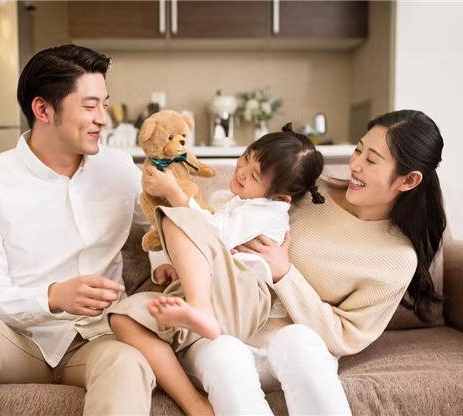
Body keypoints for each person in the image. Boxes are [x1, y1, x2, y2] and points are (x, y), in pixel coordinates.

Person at [0, 45, 155, 415]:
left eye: (105, 105)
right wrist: (53, 297)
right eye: (89, 106)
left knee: (128, 363)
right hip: (19, 343)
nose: (102, 120)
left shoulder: (120, 169)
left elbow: (164, 225)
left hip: (97, 339)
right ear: (43, 110)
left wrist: (173, 256)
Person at [174, 109, 447, 415]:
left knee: (299, 340)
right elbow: (231, 205)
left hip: (291, 352)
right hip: (223, 335)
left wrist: (285, 275)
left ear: (409, 180)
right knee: (227, 352)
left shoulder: (397, 258)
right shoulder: (308, 192)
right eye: (358, 150)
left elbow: (346, 336)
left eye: (371, 160)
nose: (355, 164)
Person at [109, 125, 325, 415]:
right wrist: (171, 265)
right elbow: (204, 246)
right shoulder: (233, 202)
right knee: (123, 318)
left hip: (242, 298)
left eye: (255, 175)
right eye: (246, 157)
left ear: (281, 197)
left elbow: (214, 234)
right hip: (216, 293)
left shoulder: (268, 210)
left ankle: (200, 308)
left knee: (178, 216)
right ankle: (194, 401)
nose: (242, 170)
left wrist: (175, 194)